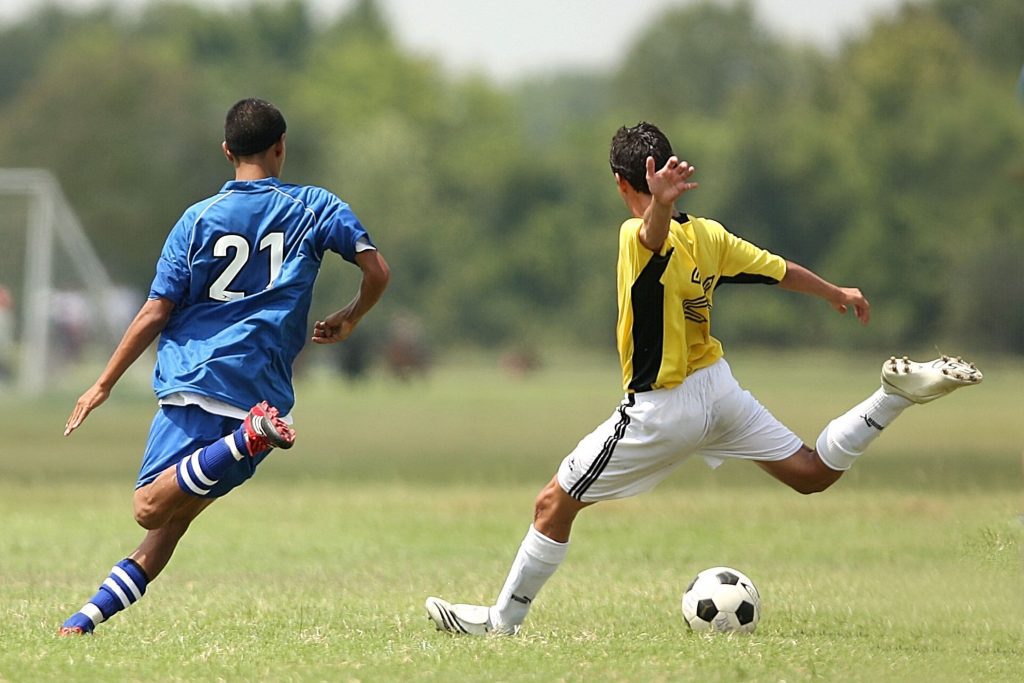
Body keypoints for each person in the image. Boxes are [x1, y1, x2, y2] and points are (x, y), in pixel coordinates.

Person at [424, 121, 982, 636]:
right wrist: (836, 291)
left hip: (662, 408)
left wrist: (657, 208)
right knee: (811, 473)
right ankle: (890, 398)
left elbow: (650, 238)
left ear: (621, 182)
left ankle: (503, 622)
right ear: (667, 170)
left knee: (553, 504)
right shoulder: (710, 235)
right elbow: (778, 269)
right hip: (719, 389)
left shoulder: (633, 234)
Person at [59, 98, 390, 635]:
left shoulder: (196, 220)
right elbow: (377, 271)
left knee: (148, 507)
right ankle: (83, 622)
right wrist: (350, 317)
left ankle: (244, 439)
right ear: (281, 147)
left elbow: (155, 311)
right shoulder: (315, 206)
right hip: (262, 389)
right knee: (169, 527)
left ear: (226, 151)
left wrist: (102, 383)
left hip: (197, 380)